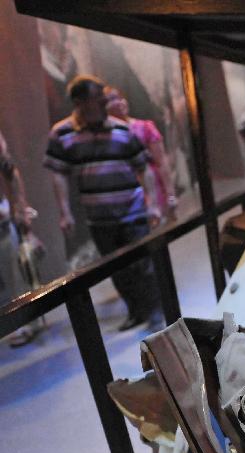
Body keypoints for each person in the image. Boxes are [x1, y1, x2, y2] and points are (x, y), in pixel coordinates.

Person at [45, 75, 161, 332]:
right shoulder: (62, 134)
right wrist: (65, 212)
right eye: (98, 99)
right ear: (80, 102)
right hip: (99, 217)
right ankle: (136, 311)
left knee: (144, 264)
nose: (104, 103)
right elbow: (58, 173)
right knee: (117, 269)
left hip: (132, 210)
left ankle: (155, 312)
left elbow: (144, 168)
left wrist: (152, 203)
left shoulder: (122, 130)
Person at [104, 86, 177, 222]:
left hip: (155, 192)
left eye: (119, 98)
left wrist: (170, 195)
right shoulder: (106, 137)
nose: (119, 103)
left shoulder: (145, 128)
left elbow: (161, 162)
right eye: (111, 100)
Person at [0, 130, 41, 346]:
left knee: (17, 277)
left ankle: (26, 324)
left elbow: (10, 171)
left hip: (4, 225)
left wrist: (21, 210)